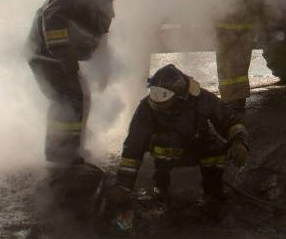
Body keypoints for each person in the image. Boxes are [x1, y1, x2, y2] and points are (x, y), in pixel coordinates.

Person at [106, 63, 249, 220]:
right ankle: (160, 188)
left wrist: (239, 143)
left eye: (165, 106)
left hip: (197, 146)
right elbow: (133, 147)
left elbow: (231, 121)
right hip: (167, 151)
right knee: (167, 143)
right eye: (157, 105)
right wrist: (123, 187)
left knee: (215, 149)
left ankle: (213, 193)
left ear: (180, 98)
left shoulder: (202, 100)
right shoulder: (146, 107)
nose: (160, 110)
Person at [27, 0, 134, 165]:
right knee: (68, 99)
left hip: (62, 58)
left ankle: (71, 150)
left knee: (80, 97)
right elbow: (52, 16)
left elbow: (102, 37)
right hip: (45, 54)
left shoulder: (105, 0)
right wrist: (62, 54)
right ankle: (61, 156)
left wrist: (104, 69)